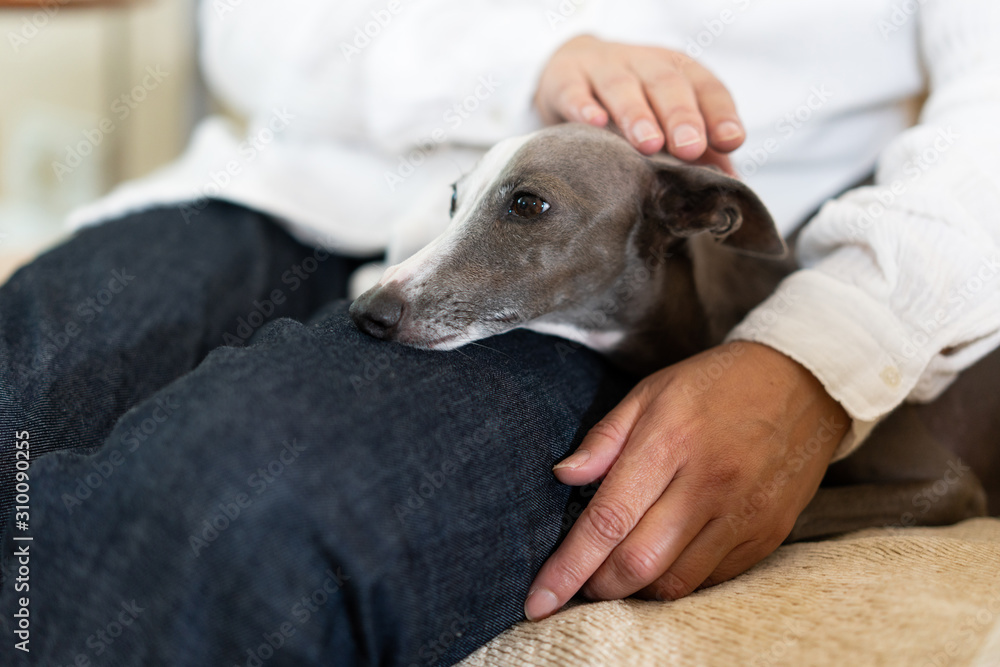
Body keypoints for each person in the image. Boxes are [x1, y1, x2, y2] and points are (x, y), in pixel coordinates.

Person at [1, 0, 997, 664]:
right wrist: (525, 68)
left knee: (227, 513)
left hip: (610, 283)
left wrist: (817, 349)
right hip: (284, 183)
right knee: (24, 380)